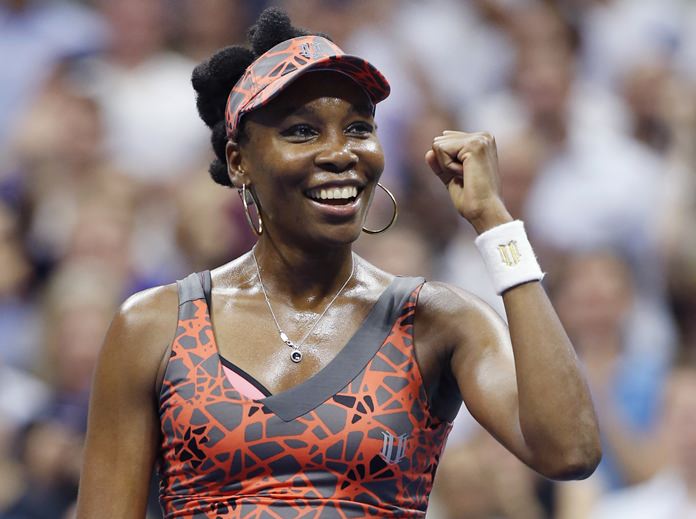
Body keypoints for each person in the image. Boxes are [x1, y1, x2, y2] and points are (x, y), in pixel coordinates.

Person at [76, 7, 600, 518]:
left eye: (358, 128)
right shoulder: (154, 326)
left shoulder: (437, 320)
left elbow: (569, 450)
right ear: (239, 162)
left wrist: (496, 223)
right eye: (302, 131)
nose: (340, 152)